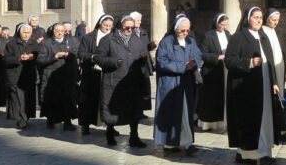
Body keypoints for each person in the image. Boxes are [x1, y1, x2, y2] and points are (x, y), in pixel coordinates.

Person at [226, 7, 279, 165]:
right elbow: (229, 61)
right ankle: (258, 155)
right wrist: (249, 62)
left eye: (260, 17)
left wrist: (274, 82)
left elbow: (269, 61)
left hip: (264, 86)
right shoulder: (238, 37)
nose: (259, 20)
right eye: (255, 17)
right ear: (248, 19)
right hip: (246, 88)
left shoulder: (264, 36)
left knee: (264, 118)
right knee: (251, 121)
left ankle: (255, 153)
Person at [95, 15, 149, 148]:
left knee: (134, 110)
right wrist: (114, 62)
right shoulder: (108, 40)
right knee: (113, 109)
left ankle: (134, 137)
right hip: (114, 80)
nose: (129, 29)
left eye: (132, 27)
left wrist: (143, 58)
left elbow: (142, 55)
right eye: (127, 27)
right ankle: (109, 132)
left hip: (132, 80)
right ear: (120, 26)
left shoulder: (136, 40)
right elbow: (98, 58)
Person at [154, 16, 202, 156]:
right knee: (170, 112)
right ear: (176, 29)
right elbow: (162, 61)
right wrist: (182, 66)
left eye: (187, 30)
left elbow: (198, 55)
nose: (185, 33)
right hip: (170, 83)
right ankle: (169, 143)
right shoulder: (166, 42)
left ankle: (187, 143)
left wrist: (194, 63)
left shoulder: (191, 41)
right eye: (182, 30)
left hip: (186, 82)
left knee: (186, 114)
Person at [77, 16, 114, 135]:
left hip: (108, 73)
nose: (107, 28)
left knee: (108, 100)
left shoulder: (114, 38)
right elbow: (81, 53)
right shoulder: (88, 38)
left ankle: (110, 127)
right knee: (88, 99)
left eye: (110, 26)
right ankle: (85, 125)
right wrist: (93, 57)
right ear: (99, 24)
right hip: (91, 73)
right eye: (105, 25)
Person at [38, 23, 78, 130]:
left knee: (67, 99)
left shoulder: (71, 41)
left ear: (65, 31)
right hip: (51, 76)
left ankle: (67, 122)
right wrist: (54, 56)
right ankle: (51, 120)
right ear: (53, 31)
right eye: (56, 31)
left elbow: (77, 54)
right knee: (52, 99)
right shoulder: (46, 43)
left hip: (67, 75)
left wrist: (69, 55)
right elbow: (40, 60)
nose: (59, 33)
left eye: (61, 30)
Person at [198, 14, 230, 132]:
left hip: (225, 70)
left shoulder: (228, 34)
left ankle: (222, 122)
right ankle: (209, 124)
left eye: (226, 25)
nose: (224, 27)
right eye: (222, 24)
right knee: (212, 98)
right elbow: (203, 54)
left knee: (223, 96)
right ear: (216, 23)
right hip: (212, 71)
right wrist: (218, 57)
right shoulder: (208, 36)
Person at [262, 8, 286, 142]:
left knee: (280, 99)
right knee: (272, 100)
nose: (276, 22)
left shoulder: (277, 33)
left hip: (280, 70)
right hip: (269, 71)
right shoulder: (261, 33)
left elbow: (282, 53)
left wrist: (285, 72)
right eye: (273, 20)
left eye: (277, 20)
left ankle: (281, 128)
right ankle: (273, 129)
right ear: (267, 19)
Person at [4, 24, 39, 129]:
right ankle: (20, 119)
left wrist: (33, 56)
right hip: (15, 75)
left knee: (28, 98)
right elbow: (6, 60)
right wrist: (18, 59)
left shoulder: (34, 43)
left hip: (29, 75)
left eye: (28, 33)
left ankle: (26, 117)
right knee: (18, 99)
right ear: (19, 32)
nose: (26, 35)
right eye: (24, 32)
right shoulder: (11, 44)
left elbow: (40, 55)